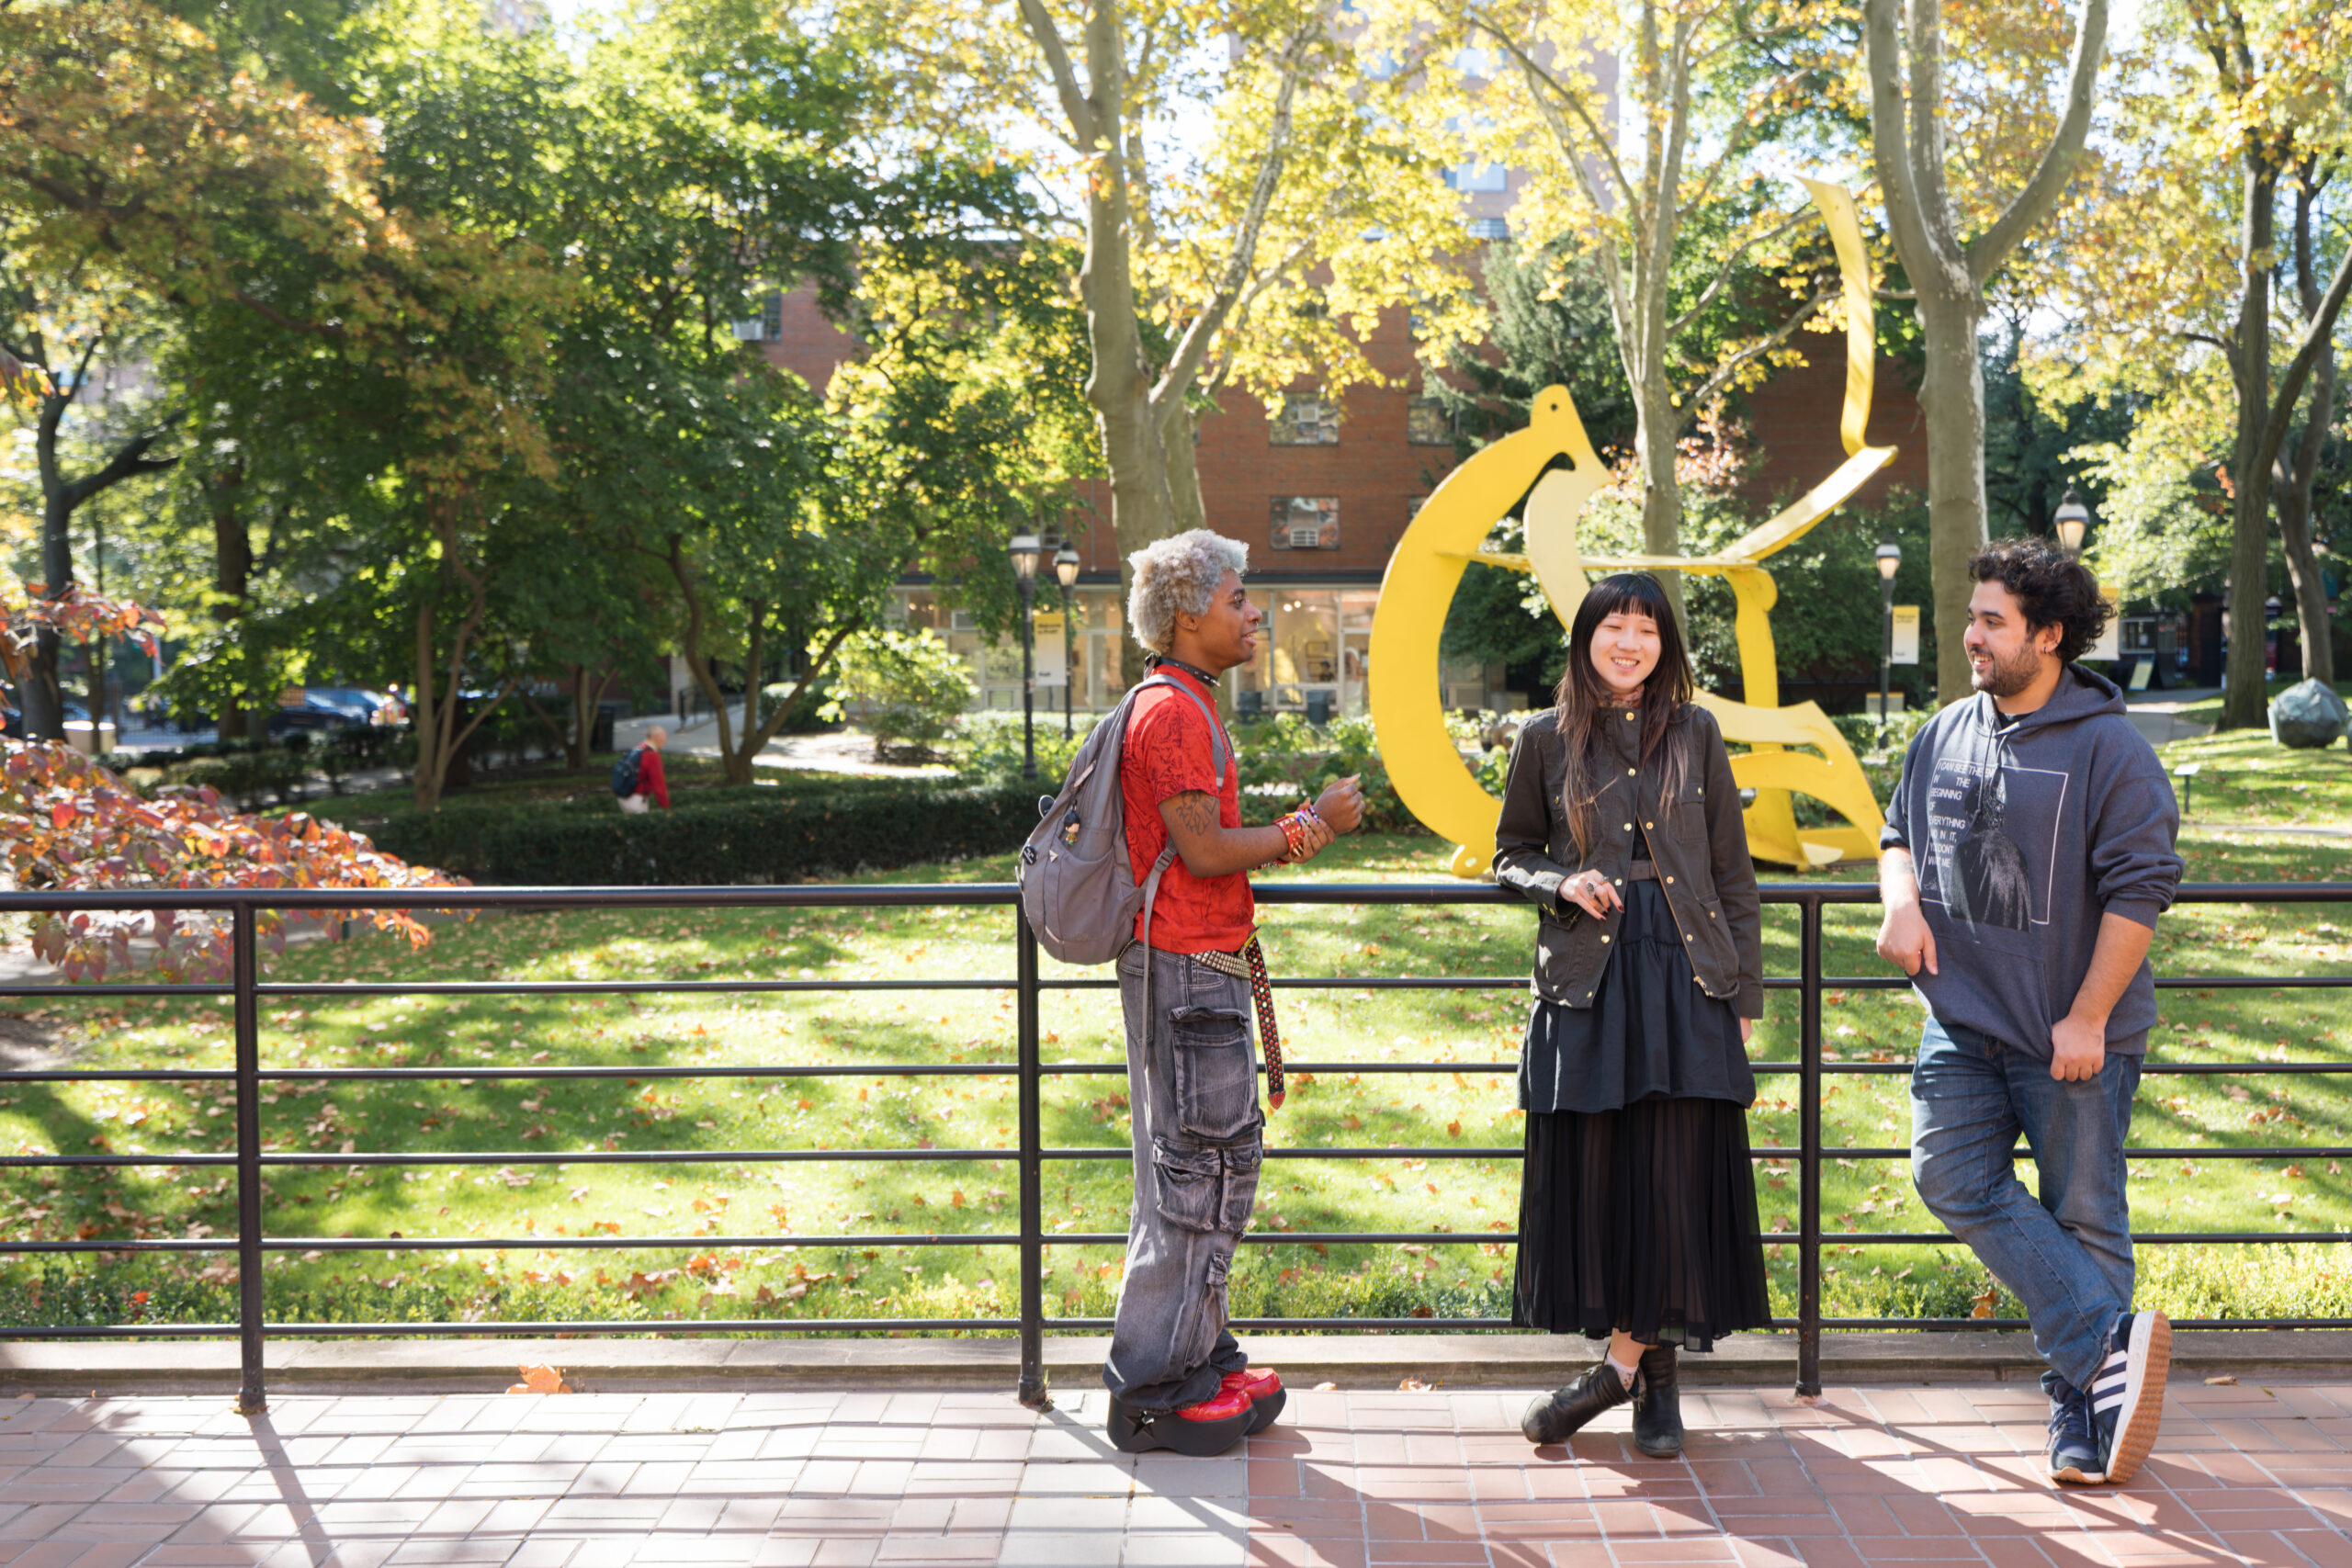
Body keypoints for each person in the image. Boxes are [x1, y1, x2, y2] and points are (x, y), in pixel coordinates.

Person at [1876, 538, 2183, 1488]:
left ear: (2047, 636)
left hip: (2069, 1033)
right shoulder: (1945, 732)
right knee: (1948, 1176)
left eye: (1990, 622)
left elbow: (2140, 893)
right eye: (1972, 618)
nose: (1970, 636)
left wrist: (2087, 1017)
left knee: (2085, 1216)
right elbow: (1897, 833)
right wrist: (1897, 898)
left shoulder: (2110, 751)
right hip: (1961, 1025)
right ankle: (2105, 1351)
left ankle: (2083, 1413)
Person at [1493, 571, 1769, 1457]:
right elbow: (1510, 852)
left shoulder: (1696, 733)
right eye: (1614, 625)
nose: (1629, 641)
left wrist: (1744, 991)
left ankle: (1620, 1372)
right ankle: (1650, 1375)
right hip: (1588, 978)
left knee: (1674, 1180)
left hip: (1686, 976)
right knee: (1606, 1178)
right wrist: (1559, 880)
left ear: (1665, 646)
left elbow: (1733, 872)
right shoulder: (1545, 737)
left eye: (1646, 629)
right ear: (1586, 638)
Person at [1104, 528, 1364, 1456]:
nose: (1252, 613)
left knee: (1208, 1169)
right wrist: (1309, 827)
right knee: (1198, 1178)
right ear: (1189, 615)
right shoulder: (1169, 713)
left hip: (1195, 966)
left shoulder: (1185, 702)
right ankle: (1155, 1387)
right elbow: (1207, 850)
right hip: (1182, 971)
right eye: (1237, 600)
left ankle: (1199, 1356)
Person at [616, 727, 670, 814]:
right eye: (663, 737)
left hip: (623, 797)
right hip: (636, 800)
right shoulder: (652, 755)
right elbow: (659, 786)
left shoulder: (637, 748)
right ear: (656, 737)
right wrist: (666, 807)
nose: (665, 741)